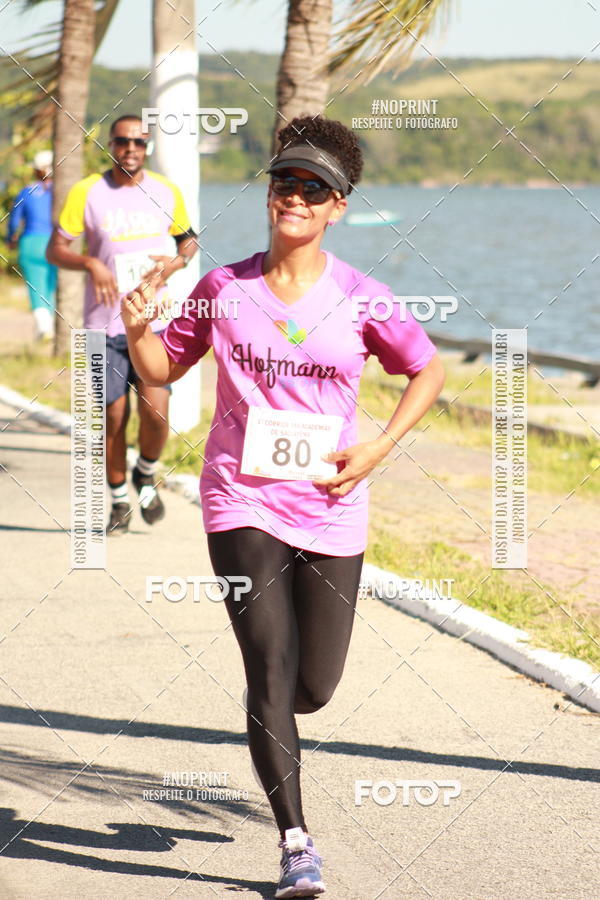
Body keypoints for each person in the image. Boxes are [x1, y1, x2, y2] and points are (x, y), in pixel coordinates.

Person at [121, 115, 445, 897]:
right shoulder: (223, 287)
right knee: (269, 666)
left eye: (313, 188)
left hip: (332, 506)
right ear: (267, 193)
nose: (293, 196)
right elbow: (165, 364)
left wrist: (377, 448)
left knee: (313, 686)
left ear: (338, 206)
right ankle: (297, 842)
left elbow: (426, 372)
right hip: (240, 499)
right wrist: (137, 327)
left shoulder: (365, 297)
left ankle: (274, 709)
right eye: (283, 182)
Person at [46, 114, 198, 535]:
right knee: (113, 417)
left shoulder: (165, 191)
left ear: (147, 147)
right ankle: (117, 500)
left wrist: (176, 262)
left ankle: (145, 473)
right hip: (103, 326)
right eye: (122, 141)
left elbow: (188, 239)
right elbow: (56, 250)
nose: (131, 148)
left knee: (156, 411)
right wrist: (90, 262)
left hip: (153, 323)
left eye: (139, 142)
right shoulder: (87, 192)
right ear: (110, 145)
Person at [8, 150, 57, 341]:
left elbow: (14, 222)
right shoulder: (61, 190)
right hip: (55, 243)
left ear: (37, 171)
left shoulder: (26, 191)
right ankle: (52, 326)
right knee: (52, 285)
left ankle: (44, 329)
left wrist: (11, 238)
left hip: (31, 243)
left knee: (36, 286)